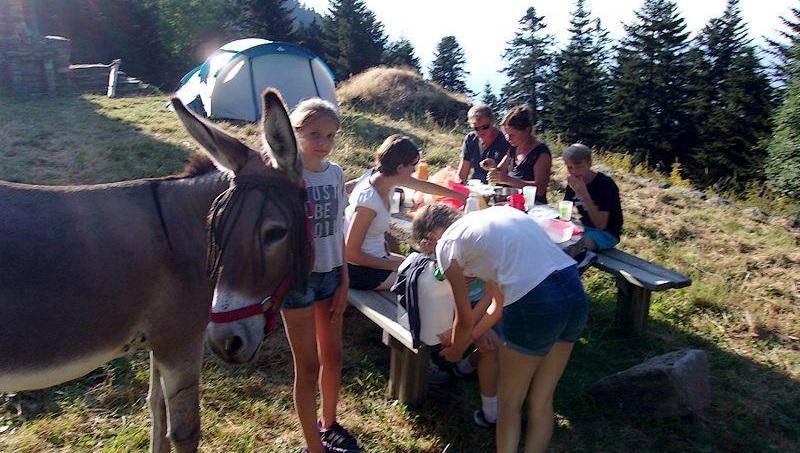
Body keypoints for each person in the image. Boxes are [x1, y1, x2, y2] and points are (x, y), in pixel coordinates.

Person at [412, 203, 588, 453]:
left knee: (509, 401)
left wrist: (455, 352)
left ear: (430, 238)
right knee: (541, 400)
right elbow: (497, 305)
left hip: (536, 303)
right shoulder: (492, 220)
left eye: (428, 251)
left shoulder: (447, 245)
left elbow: (464, 319)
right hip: (574, 291)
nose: (435, 259)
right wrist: (466, 337)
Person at [282, 98, 361, 453]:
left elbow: (340, 231)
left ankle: (329, 423)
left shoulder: (336, 173)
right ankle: (315, 446)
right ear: (295, 133)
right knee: (308, 366)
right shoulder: (286, 176)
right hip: (297, 282)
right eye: (314, 134)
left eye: (329, 136)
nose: (323, 143)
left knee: (333, 357)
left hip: (331, 277)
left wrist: (345, 280)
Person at [345, 134, 467, 291]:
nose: (415, 169)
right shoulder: (369, 203)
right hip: (359, 272)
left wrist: (461, 196)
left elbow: (422, 185)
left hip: (378, 256)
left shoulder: (382, 176)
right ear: (400, 167)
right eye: (413, 164)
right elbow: (350, 253)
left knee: (422, 265)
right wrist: (393, 264)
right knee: (433, 280)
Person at [563, 143, 623, 251]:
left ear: (589, 163)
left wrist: (584, 194)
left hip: (606, 233)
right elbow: (565, 208)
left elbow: (601, 225)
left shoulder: (605, 184)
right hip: (584, 226)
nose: (574, 172)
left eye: (578, 167)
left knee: (578, 245)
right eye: (570, 167)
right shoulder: (573, 181)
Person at [486, 105, 551, 204]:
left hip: (533, 206)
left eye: (512, 135)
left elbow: (540, 189)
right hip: (512, 202)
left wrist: (508, 180)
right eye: (506, 134)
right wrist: (492, 166)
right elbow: (500, 171)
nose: (508, 138)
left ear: (527, 130)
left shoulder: (541, 152)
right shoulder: (513, 148)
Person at [457, 104, 512, 184]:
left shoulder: (507, 140)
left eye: (485, 127)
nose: (481, 131)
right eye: (476, 128)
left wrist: (494, 168)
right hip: (476, 187)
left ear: (493, 121)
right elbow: (462, 174)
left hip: (499, 189)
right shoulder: (470, 139)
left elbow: (511, 175)